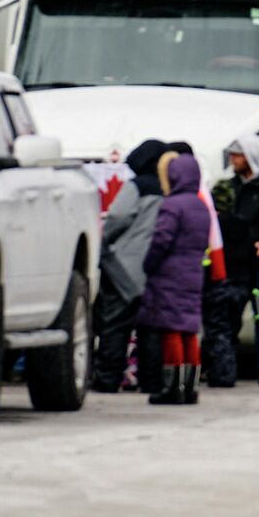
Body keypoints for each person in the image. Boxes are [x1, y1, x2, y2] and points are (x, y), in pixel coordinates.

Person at [94, 139, 168, 393]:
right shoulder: (167, 189)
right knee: (151, 329)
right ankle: (151, 380)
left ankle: (107, 378)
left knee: (115, 325)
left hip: (123, 266)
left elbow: (117, 216)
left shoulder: (135, 186)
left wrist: (106, 240)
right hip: (156, 268)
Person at [139, 151, 211, 405]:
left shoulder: (173, 204)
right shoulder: (201, 205)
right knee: (190, 330)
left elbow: (162, 239)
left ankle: (172, 388)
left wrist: (148, 264)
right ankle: (190, 387)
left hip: (170, 274)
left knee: (171, 329)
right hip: (193, 272)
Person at [206, 135, 259, 388]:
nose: (232, 160)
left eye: (237, 155)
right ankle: (223, 366)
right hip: (234, 260)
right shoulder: (228, 187)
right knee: (229, 318)